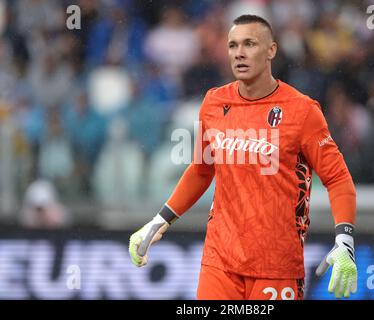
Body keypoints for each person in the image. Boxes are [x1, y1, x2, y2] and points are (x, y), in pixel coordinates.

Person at [129, 14, 357, 300]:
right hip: (220, 260)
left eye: (249, 44)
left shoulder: (302, 111)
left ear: (271, 50)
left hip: (277, 265)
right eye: (233, 45)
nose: (239, 53)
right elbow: (201, 170)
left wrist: (345, 238)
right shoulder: (214, 102)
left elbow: (338, 178)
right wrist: (159, 220)